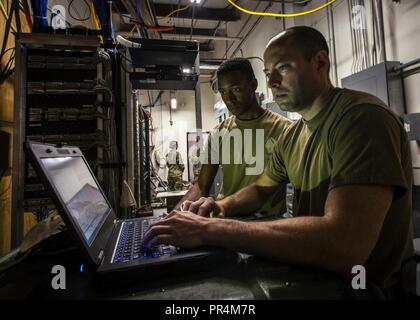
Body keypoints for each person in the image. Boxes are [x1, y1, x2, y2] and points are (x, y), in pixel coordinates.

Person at [145, 26, 414, 296]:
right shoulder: (294, 134)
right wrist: (219, 206)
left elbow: (345, 243)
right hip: (320, 276)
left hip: (366, 289)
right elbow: (261, 189)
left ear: (320, 62)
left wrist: (211, 229)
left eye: (283, 68)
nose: (272, 82)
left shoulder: (361, 119)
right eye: (267, 73)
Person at [176, 57, 291, 217]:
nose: (229, 99)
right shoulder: (219, 133)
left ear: (253, 85)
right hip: (226, 218)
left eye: (235, 89)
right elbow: (201, 186)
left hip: (268, 224)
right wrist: (173, 216)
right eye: (223, 92)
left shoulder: (285, 130)